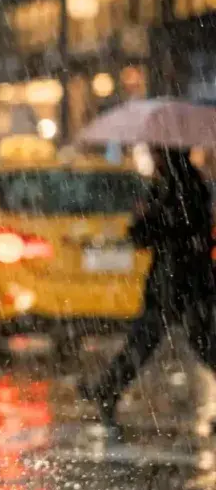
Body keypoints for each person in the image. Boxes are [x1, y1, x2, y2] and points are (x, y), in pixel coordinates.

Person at [80, 146, 216, 427]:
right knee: (156, 341)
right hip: (176, 281)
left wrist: (148, 216)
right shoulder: (179, 186)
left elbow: (165, 230)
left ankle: (108, 388)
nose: (152, 157)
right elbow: (145, 235)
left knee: (197, 343)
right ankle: (108, 388)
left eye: (155, 152)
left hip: (182, 282)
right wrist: (145, 218)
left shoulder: (183, 188)